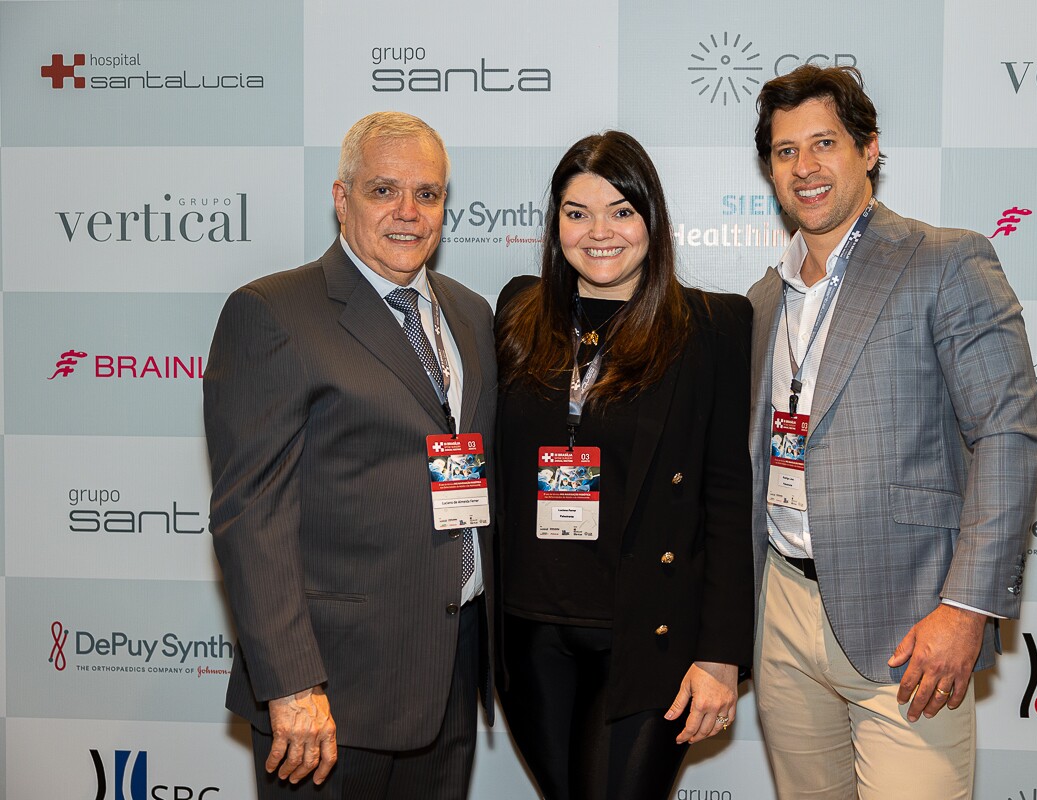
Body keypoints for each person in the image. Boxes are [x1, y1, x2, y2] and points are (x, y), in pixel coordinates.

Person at [747, 65, 1037, 799]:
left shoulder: (944, 260)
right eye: (786, 152)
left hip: (909, 621)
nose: (806, 168)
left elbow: (1008, 435)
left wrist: (966, 608)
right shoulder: (761, 299)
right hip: (782, 611)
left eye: (825, 143)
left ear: (869, 148)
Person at [204, 111, 497, 799]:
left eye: (428, 194)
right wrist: (292, 684)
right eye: (383, 190)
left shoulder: (471, 313)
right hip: (331, 693)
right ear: (342, 198)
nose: (408, 212)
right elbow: (251, 517)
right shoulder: (274, 313)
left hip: (449, 671)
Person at [494, 130, 754, 800]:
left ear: (652, 220)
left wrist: (722, 654)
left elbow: (725, 496)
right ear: (555, 226)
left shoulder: (712, 328)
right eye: (577, 213)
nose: (598, 232)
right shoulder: (517, 314)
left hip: (649, 635)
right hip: (530, 633)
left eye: (621, 211)